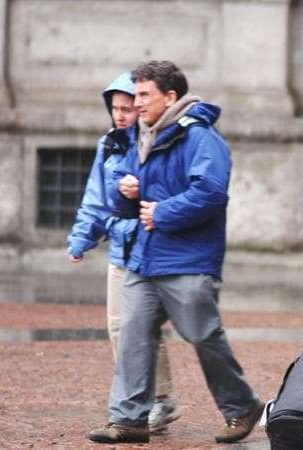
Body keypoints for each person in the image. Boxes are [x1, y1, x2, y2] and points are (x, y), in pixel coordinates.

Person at [85, 61, 263, 444]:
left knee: (203, 336)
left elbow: (212, 193)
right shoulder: (144, 135)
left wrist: (162, 212)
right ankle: (130, 419)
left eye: (144, 95)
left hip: (188, 260)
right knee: (132, 336)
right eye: (135, 95)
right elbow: (121, 192)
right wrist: (126, 191)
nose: (137, 102)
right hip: (143, 259)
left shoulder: (201, 138)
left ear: (170, 97)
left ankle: (242, 407)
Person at [66, 73, 181, 433]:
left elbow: (179, 190)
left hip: (153, 247)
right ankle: (145, 399)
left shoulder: (161, 142)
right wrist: (81, 238)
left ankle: (157, 400)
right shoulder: (110, 144)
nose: (120, 115)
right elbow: (95, 197)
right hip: (121, 248)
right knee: (118, 327)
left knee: (142, 327)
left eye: (127, 108)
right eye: (114, 108)